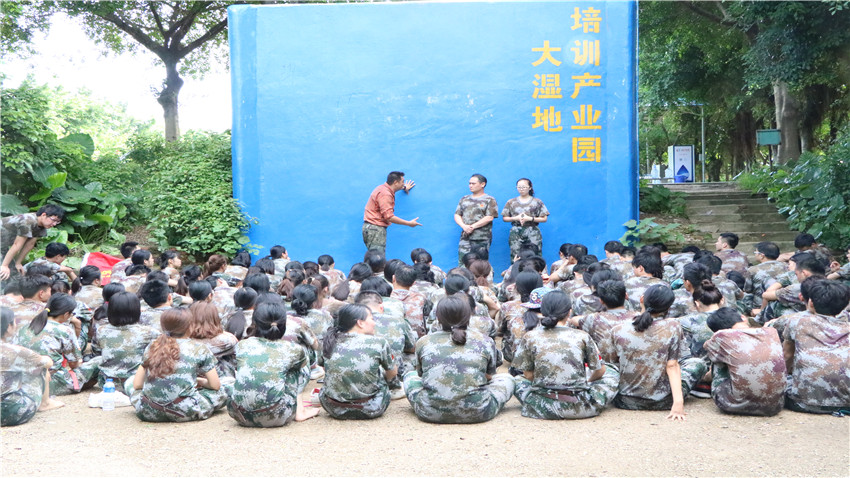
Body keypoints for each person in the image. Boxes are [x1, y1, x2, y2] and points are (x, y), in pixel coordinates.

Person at [404, 294, 514, 424]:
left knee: (410, 376)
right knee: (508, 379)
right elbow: (489, 376)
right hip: (479, 412)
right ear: (469, 316)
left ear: (438, 318)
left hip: (430, 412)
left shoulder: (424, 341)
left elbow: (421, 375)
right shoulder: (485, 341)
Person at [513, 290, 620, 419]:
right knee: (612, 372)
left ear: (543, 310)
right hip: (581, 406)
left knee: (517, 380)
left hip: (541, 405)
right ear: (569, 312)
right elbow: (600, 371)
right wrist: (588, 382)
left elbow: (528, 375)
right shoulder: (582, 336)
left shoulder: (530, 337)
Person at [609, 284, 709, 420]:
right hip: (664, 401)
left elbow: (612, 362)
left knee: (608, 368)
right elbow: (672, 365)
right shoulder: (673, 326)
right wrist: (678, 403)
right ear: (668, 307)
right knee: (697, 363)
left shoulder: (618, 329)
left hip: (626, 401)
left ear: (642, 299)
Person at [126, 308, 229, 422]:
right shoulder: (199, 348)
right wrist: (201, 382)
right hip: (185, 411)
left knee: (129, 382)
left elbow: (137, 384)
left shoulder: (152, 346)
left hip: (148, 411)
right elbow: (215, 385)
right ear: (190, 326)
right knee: (227, 386)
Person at [228, 301, 318, 427]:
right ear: (284, 325)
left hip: (238, 414)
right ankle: (300, 411)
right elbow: (301, 369)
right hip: (276, 416)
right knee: (299, 368)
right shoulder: (293, 349)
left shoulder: (243, 344)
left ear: (255, 324)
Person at [782, 279, 850, 414]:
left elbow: (787, 356)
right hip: (847, 403)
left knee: (789, 381)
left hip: (804, 403)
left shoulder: (798, 321)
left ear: (811, 302)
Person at [319, 303, 397, 419]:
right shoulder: (379, 343)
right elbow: (392, 373)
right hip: (372, 408)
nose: (374, 323)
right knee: (381, 372)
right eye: (371, 318)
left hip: (334, 408)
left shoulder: (329, 341)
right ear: (360, 323)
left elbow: (325, 368)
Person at [703, 307, 785, 416]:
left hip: (734, 405)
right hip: (776, 405)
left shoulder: (721, 336)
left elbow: (707, 348)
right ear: (743, 318)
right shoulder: (771, 331)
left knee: (719, 355)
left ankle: (705, 385)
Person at [12, 293, 99, 395]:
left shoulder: (26, 327)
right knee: (98, 361)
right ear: (66, 314)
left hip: (24, 380)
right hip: (52, 382)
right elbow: (74, 364)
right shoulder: (64, 330)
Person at [1, 307, 64, 426]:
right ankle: (45, 403)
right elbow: (47, 363)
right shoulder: (15, 350)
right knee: (41, 368)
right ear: (9, 327)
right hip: (9, 413)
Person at [95, 291, 159, 393]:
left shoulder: (100, 330)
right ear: (137, 311)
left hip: (107, 382)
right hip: (135, 382)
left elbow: (97, 349)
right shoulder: (149, 332)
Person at [1, 205, 65, 281]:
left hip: (2, 246)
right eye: (53, 220)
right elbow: (17, 245)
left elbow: (29, 245)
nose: (54, 224)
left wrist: (18, 263)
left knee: (14, 273)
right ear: (43, 215)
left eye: (57, 222)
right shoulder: (27, 221)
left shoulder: (41, 225)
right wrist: (4, 265)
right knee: (3, 273)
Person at [362, 171, 420, 252]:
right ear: (395, 182)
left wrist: (405, 187)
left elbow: (396, 188)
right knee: (377, 259)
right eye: (402, 182)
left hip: (371, 228)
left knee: (373, 258)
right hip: (375, 230)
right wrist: (409, 223)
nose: (403, 184)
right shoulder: (385, 194)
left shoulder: (382, 188)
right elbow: (389, 216)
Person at [501, 178, 549, 261]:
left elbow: (544, 218)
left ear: (530, 187)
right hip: (516, 231)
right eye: (519, 187)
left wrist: (530, 218)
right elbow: (505, 218)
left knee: (535, 254)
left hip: (532, 230)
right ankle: (516, 272)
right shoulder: (511, 202)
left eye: (523, 187)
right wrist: (516, 218)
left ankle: (536, 272)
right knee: (515, 254)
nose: (521, 189)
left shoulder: (537, 202)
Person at [454, 174, 498, 264]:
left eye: (473, 183)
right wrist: (464, 226)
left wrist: (472, 227)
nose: (470, 185)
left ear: (482, 184)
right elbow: (457, 215)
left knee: (480, 264)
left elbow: (489, 217)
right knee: (463, 262)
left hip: (481, 238)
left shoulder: (489, 200)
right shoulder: (464, 199)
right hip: (465, 236)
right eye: (469, 183)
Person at [188, 302, 238, 379]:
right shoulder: (227, 341)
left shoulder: (185, 341)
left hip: (193, 382)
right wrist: (218, 330)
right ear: (215, 318)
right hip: (222, 382)